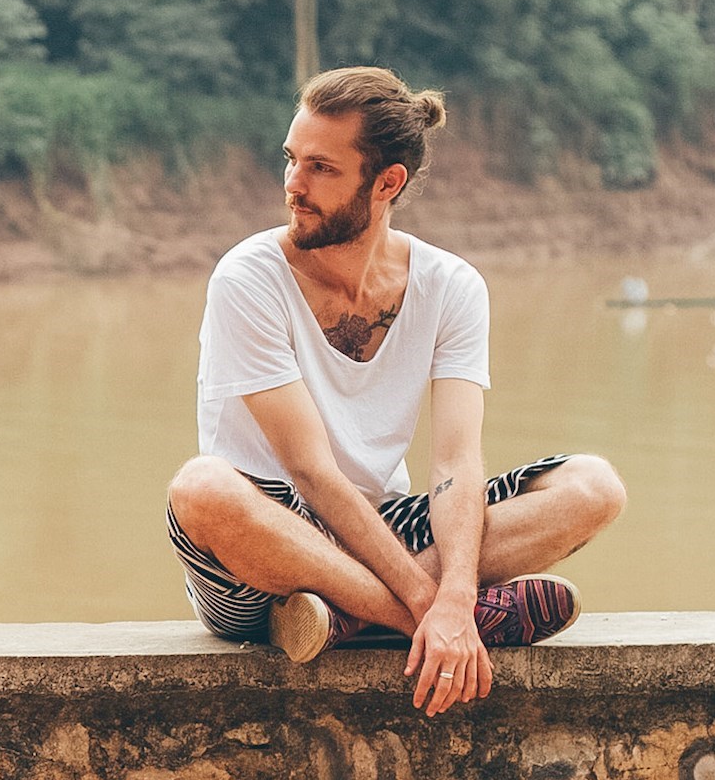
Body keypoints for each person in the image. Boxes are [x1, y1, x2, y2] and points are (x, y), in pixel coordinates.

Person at [164, 66, 627, 717]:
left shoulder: (451, 286)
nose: (294, 186)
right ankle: (394, 623)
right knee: (202, 489)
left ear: (387, 183)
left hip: (381, 526)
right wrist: (428, 608)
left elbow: (455, 462)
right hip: (261, 552)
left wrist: (458, 596)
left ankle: (343, 619)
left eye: (321, 168)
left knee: (593, 487)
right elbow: (310, 470)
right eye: (292, 161)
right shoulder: (248, 278)